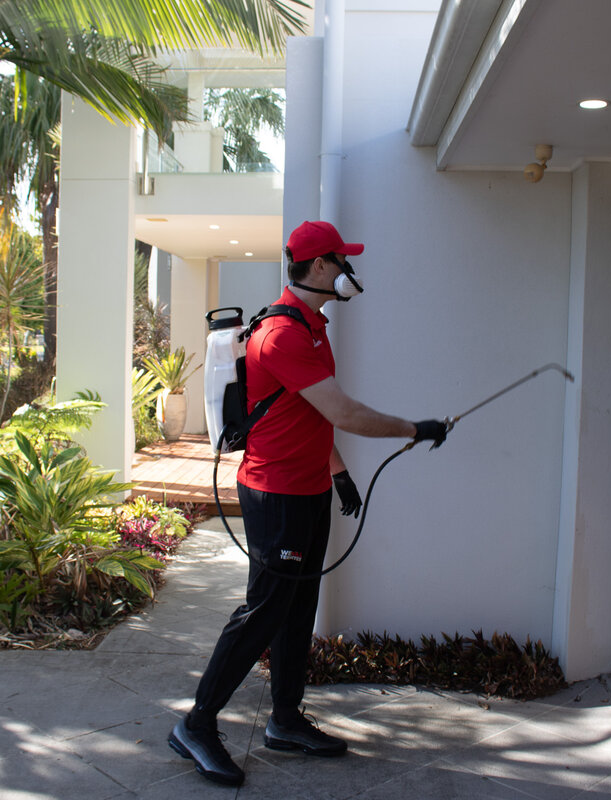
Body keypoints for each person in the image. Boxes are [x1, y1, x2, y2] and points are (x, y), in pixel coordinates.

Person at [167, 220, 450, 786]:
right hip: (276, 494)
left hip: (309, 488)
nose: (349, 270)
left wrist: (338, 473)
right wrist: (410, 428)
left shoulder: (313, 326)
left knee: (298, 610)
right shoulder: (284, 336)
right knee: (263, 612)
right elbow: (342, 411)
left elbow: (311, 416)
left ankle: (285, 719)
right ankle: (196, 725)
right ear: (321, 268)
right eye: (342, 261)